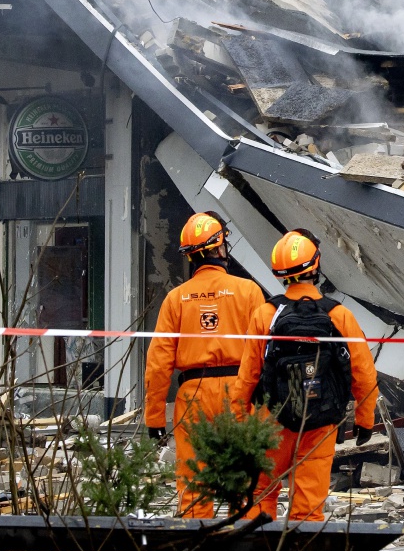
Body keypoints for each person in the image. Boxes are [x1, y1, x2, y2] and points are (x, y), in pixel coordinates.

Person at [234, 229, 379, 522]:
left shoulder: (266, 314)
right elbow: (363, 373)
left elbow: (248, 375)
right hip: (320, 423)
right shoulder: (339, 316)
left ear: (280, 273)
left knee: (259, 494)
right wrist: (365, 420)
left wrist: (239, 423)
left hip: (270, 421)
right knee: (309, 504)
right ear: (316, 265)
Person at [144, 211, 265, 518]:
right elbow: (266, 350)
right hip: (239, 392)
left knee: (194, 486)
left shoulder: (176, 299)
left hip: (192, 397)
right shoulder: (248, 291)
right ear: (217, 248)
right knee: (244, 483)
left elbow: (158, 363)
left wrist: (155, 417)